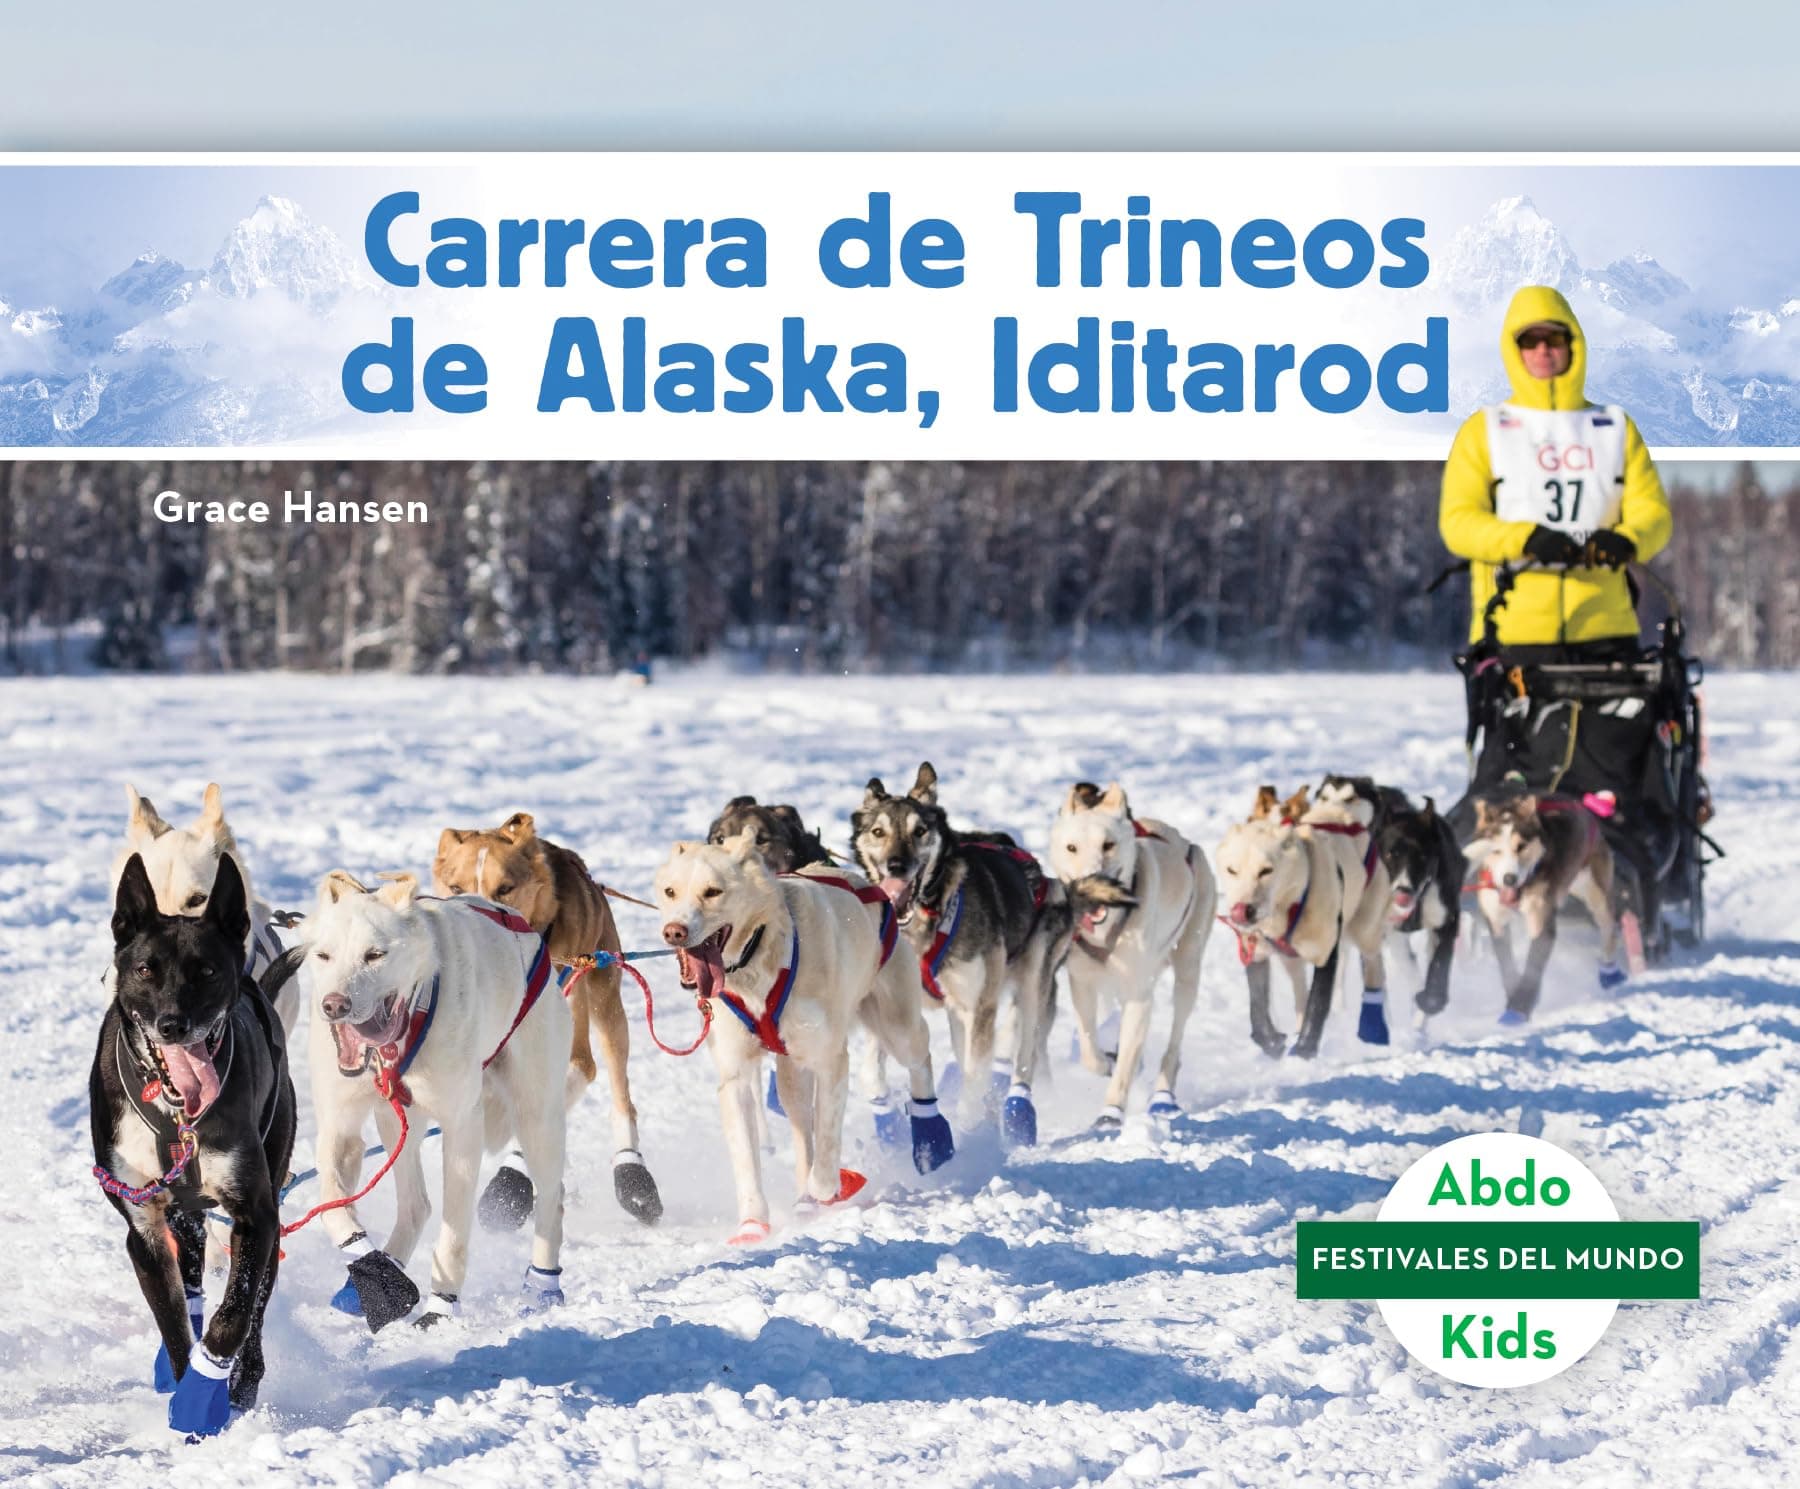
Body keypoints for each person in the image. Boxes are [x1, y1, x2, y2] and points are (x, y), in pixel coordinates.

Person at [1440, 285, 1672, 662]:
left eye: (1554, 338)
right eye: (1530, 340)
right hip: (1511, 632)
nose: (1543, 350)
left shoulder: (1614, 427)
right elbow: (1459, 523)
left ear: (1573, 344)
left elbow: (1654, 514)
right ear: (1514, 351)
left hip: (1607, 630)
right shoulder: (1483, 430)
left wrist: (1627, 540)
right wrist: (1526, 539)